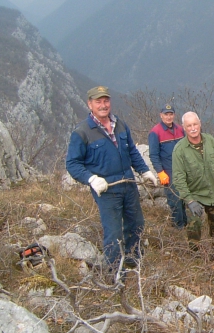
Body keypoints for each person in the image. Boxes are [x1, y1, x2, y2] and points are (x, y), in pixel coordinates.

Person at [66, 85, 158, 272]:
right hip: (107, 190)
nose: (103, 105)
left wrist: (144, 171)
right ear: (89, 104)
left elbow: (132, 151)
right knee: (114, 233)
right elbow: (73, 164)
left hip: (128, 185)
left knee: (136, 224)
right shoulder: (82, 132)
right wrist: (91, 179)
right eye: (98, 101)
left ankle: (133, 262)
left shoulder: (121, 125)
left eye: (106, 100)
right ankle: (115, 274)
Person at [172, 111, 214, 252]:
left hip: (213, 194)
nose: (193, 128)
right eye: (189, 126)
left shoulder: (210, 141)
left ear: (200, 123)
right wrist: (189, 201)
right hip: (195, 196)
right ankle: (195, 258)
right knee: (194, 229)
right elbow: (178, 178)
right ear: (184, 127)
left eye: (195, 124)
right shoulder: (180, 150)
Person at [148, 104, 187, 229]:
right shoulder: (155, 132)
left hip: (182, 170)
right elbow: (153, 155)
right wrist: (160, 172)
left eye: (171, 114)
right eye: (166, 114)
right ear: (161, 115)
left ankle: (186, 225)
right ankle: (178, 228)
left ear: (174, 115)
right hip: (169, 172)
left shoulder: (180, 130)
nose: (168, 117)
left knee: (184, 198)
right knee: (174, 201)